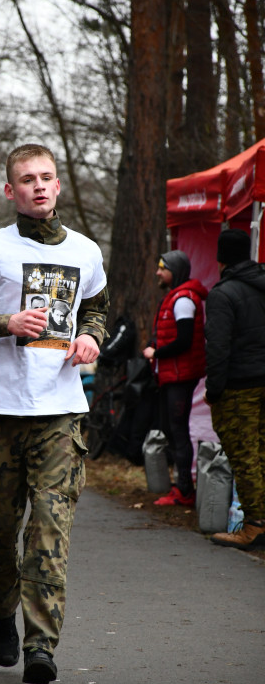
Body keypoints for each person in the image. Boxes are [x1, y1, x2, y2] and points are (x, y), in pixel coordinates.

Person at [0, 143, 109, 684]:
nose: (38, 186)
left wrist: (90, 338)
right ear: (11, 190)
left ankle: (42, 647)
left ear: (58, 186)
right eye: (27, 179)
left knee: (50, 527)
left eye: (47, 177)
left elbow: (97, 310)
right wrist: (4, 323)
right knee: (3, 527)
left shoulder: (85, 251)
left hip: (59, 412)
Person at [204, 229, 265, 550]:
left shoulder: (222, 294)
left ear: (220, 257)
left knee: (245, 456)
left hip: (240, 386)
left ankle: (254, 525)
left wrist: (214, 391)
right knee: (262, 451)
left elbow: (218, 349)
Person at [143, 250, 208, 506]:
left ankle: (185, 491)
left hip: (180, 376)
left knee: (178, 432)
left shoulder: (183, 300)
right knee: (172, 430)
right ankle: (181, 487)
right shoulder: (175, 297)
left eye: (163, 267)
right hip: (171, 375)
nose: (158, 272)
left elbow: (184, 340)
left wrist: (156, 352)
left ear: (176, 270)